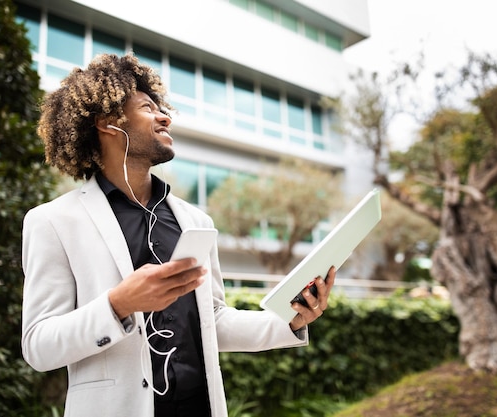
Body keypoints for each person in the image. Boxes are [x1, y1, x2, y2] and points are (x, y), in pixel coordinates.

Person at [21, 53, 335, 417]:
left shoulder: (196, 220)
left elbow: (211, 320)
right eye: (147, 108)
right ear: (108, 123)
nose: (165, 116)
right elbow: (39, 346)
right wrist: (118, 304)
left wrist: (289, 320)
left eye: (161, 108)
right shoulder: (52, 221)